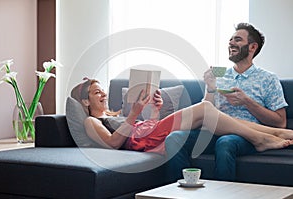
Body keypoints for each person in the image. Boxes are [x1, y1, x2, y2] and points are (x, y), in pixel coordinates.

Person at [165, 22, 289, 181]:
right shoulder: (220, 75)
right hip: (213, 131)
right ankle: (181, 193)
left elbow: (280, 123)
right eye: (230, 40)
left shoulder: (268, 79)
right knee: (174, 138)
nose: (231, 43)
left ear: (252, 47)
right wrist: (210, 88)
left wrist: (247, 102)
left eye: (237, 39)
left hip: (246, 135)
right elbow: (205, 111)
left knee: (225, 142)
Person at [70, 78, 293, 157]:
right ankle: (260, 140)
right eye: (96, 92)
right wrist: (135, 114)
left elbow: (143, 129)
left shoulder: (115, 115)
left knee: (218, 116)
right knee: (205, 108)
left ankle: (279, 132)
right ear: (85, 102)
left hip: (148, 135)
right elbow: (112, 144)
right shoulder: (92, 121)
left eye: (102, 90)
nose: (104, 94)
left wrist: (155, 111)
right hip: (140, 143)